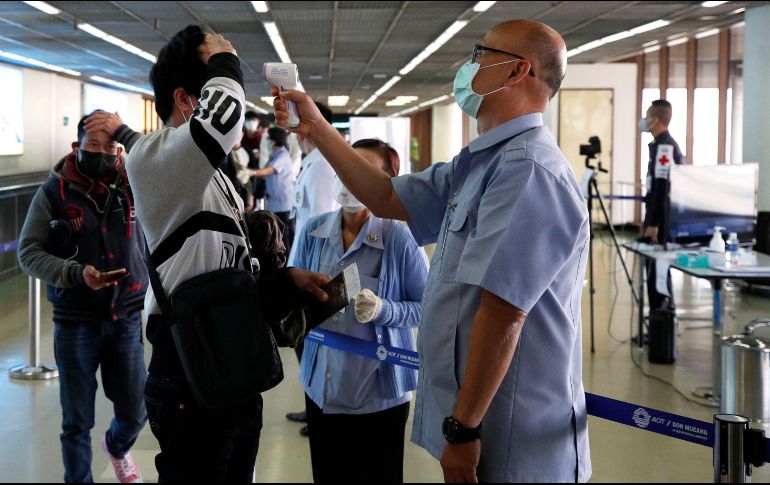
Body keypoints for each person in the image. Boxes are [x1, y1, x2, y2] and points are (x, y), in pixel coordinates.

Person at [274, 18, 591, 483]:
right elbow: (385, 195)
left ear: (517, 71)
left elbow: (504, 313)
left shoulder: (529, 171)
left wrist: (463, 428)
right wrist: (318, 129)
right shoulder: (480, 162)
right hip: (479, 416)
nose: (470, 65)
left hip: (509, 429)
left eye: (481, 54)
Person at [84, 26, 330, 482]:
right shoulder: (155, 159)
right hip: (188, 369)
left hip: (229, 361)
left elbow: (224, 269)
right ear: (186, 100)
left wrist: (284, 279)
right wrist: (225, 58)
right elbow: (223, 121)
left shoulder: (208, 172)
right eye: (212, 81)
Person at [17, 112, 148, 484]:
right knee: (76, 421)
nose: (103, 154)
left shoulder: (134, 181)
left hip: (126, 316)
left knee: (136, 410)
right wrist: (76, 274)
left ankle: (117, 447)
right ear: (77, 147)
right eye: (93, 146)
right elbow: (28, 252)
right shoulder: (54, 192)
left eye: (111, 146)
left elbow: (163, 161)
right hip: (75, 320)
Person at [293, 138, 428, 483]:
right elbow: (297, 294)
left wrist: (385, 310)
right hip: (322, 390)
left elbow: (426, 307)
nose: (349, 176)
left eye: (363, 171)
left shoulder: (398, 238)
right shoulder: (314, 231)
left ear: (383, 184)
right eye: (346, 166)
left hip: (378, 396)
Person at [284, 101, 339, 435]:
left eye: (297, 123)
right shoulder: (312, 162)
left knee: (314, 345)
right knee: (307, 346)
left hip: (312, 272)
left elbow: (318, 222)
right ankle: (312, 408)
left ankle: (319, 411)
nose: (293, 131)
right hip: (302, 266)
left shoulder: (321, 167)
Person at [640, 99, 683, 311]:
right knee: (655, 270)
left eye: (647, 116)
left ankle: (662, 318)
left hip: (663, 221)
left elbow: (662, 187)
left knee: (657, 270)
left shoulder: (665, 148)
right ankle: (660, 319)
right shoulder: (659, 145)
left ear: (655, 120)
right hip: (657, 216)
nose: (644, 120)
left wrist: (654, 223)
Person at [253, 126, 295, 255]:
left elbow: (268, 171)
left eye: (268, 139)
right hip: (275, 202)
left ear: (274, 140)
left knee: (284, 235)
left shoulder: (282, 155)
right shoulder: (275, 155)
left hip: (282, 204)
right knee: (279, 234)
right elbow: (266, 173)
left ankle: (288, 264)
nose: (267, 141)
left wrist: (250, 172)